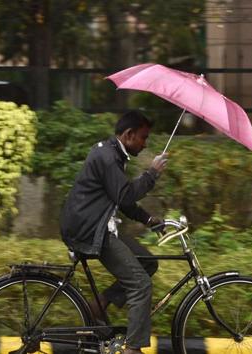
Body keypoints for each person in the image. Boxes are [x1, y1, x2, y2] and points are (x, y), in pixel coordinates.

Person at [60, 110, 168, 354]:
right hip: (90, 230)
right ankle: (133, 348)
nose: (145, 143)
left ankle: (100, 304)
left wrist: (149, 220)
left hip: (97, 225)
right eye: (143, 137)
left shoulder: (113, 154)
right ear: (129, 135)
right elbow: (125, 195)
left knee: (148, 261)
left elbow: (122, 200)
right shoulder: (108, 157)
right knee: (141, 286)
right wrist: (151, 173)